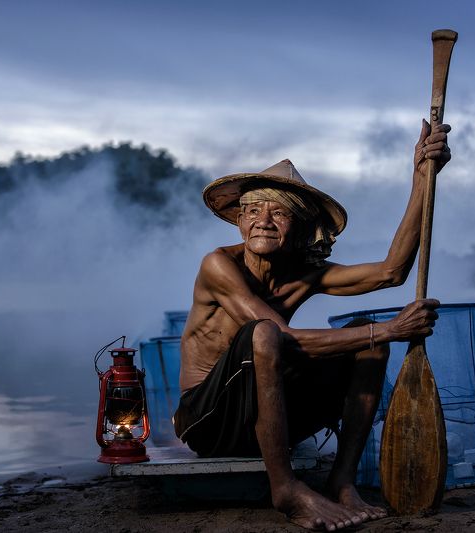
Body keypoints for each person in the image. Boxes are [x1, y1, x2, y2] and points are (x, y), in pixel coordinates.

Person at [173, 120, 451, 531]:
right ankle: (286, 489)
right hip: (209, 422)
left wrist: (422, 177)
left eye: (278, 212)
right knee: (266, 334)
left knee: (369, 344)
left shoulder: (305, 273)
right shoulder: (219, 264)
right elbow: (277, 338)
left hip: (266, 419)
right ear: (239, 222)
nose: (263, 220)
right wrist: (390, 328)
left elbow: (392, 272)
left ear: (302, 227)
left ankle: (342, 480)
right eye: (252, 210)